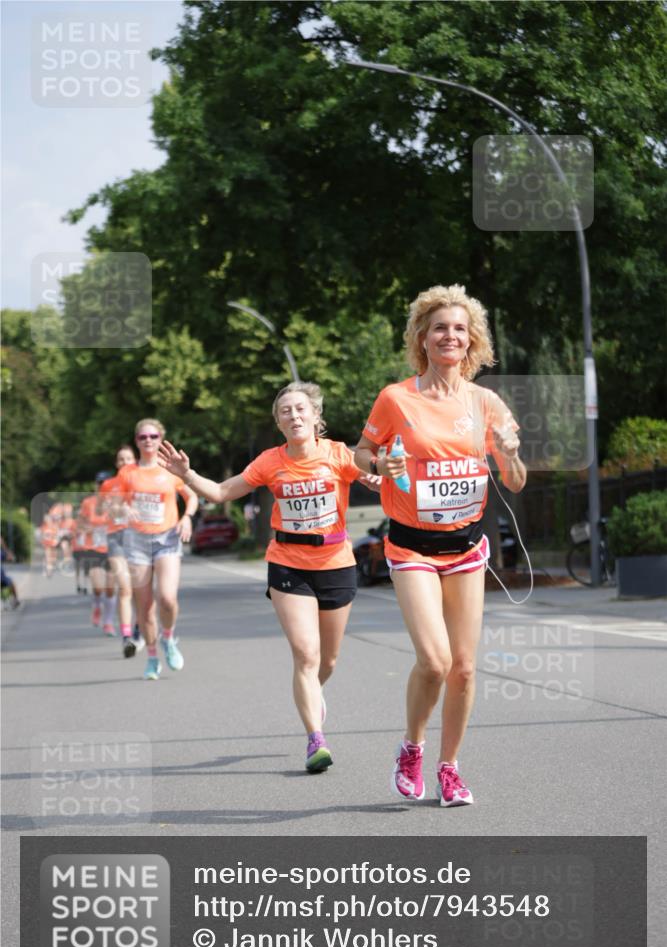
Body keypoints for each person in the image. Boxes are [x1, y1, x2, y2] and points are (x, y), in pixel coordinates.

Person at [354, 284, 526, 806]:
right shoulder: (395, 398)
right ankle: (412, 748)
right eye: (439, 328)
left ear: (471, 340)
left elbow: (514, 481)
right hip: (410, 547)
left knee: (465, 666)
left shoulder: (486, 403)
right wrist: (379, 465)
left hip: (466, 548)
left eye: (459, 328)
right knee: (434, 660)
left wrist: (511, 452)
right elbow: (361, 454)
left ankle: (449, 768)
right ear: (423, 339)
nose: (450, 336)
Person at [158, 381, 380, 773]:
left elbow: (372, 474)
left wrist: (376, 477)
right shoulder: (269, 461)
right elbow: (223, 492)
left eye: (300, 409)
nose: (293, 416)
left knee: (327, 659)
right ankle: (316, 740)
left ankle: (314, 692)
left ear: (315, 416)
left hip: (335, 561)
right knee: (306, 654)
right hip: (288, 562)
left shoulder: (339, 454)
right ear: (278, 423)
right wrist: (188, 475)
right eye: (285, 412)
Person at [117, 419, 198, 680]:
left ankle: (169, 638)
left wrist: (187, 517)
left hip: (167, 539)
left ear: (160, 438)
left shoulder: (170, 470)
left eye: (153, 436)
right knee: (145, 606)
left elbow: (192, 496)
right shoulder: (128, 473)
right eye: (143, 437)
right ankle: (152, 657)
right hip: (137, 542)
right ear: (137, 441)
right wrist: (123, 508)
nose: (148, 440)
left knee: (167, 598)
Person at [98, 444, 145, 657]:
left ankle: (138, 629)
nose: (124, 462)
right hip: (116, 537)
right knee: (125, 588)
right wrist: (120, 508)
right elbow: (105, 508)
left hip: (139, 537)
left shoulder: (143, 480)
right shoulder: (109, 484)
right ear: (116, 464)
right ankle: (126, 637)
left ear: (134, 461)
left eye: (128, 459)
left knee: (139, 590)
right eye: (120, 459)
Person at [77, 473, 114, 630]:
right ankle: (97, 606)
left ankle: (108, 622)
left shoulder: (116, 503)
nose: (102, 486)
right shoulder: (88, 503)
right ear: (96, 485)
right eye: (100, 483)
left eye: (105, 483)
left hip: (113, 549)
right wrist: (89, 529)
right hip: (93, 549)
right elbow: (79, 524)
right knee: (98, 587)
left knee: (111, 589)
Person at [1, 536, 20, 608]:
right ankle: (13, 600)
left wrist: (3, 545)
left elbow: (11, 557)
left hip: (2, 578)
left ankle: (15, 600)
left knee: (12, 583)